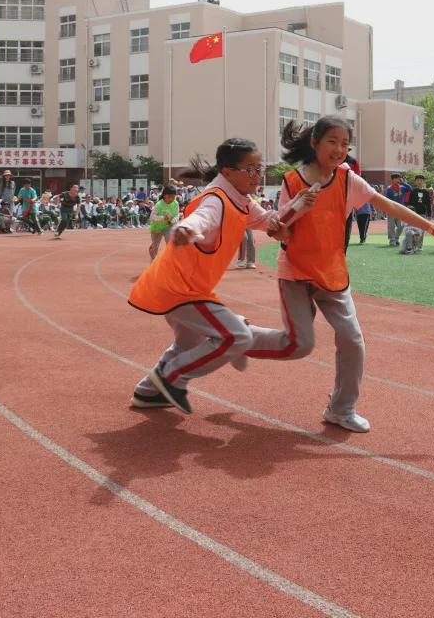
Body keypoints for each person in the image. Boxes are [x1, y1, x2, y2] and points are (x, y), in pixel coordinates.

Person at [244, 117, 434, 433]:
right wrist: (296, 208)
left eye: (345, 144)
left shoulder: (348, 180)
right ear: (315, 143)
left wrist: (433, 228)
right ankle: (240, 337)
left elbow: (388, 205)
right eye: (332, 142)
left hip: (333, 274)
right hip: (296, 272)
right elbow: (279, 231)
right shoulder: (292, 182)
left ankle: (341, 408)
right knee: (299, 345)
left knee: (353, 340)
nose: (339, 150)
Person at [127, 137, 310, 415]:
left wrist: (297, 206)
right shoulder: (217, 199)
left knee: (188, 344)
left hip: (181, 287)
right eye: (250, 169)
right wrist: (186, 228)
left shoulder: (242, 202)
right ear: (227, 172)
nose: (256, 175)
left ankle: (148, 392)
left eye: (259, 168)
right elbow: (202, 218)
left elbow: (268, 221)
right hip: (181, 289)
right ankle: (173, 377)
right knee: (236, 337)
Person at [147, 184, 179, 259]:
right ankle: (153, 260)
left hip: (168, 227)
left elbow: (177, 215)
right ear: (164, 195)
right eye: (170, 196)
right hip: (156, 228)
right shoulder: (159, 205)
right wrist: (163, 218)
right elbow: (152, 217)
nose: (172, 199)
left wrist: (173, 221)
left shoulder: (176, 203)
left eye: (173, 197)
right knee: (155, 248)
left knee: (170, 242)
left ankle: (169, 259)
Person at [405, 174, 433, 252]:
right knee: (412, 230)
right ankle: (410, 245)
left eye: (421, 180)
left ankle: (419, 245)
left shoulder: (426, 192)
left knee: (422, 231)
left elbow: (428, 204)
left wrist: (429, 215)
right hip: (413, 214)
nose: (420, 182)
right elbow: (409, 202)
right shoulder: (412, 191)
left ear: (423, 181)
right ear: (415, 182)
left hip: (423, 214)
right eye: (418, 180)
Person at [383, 173, 409, 247]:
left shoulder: (403, 187)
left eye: (399, 178)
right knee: (391, 226)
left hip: (400, 209)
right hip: (391, 209)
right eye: (396, 178)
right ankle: (392, 240)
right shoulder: (389, 188)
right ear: (392, 180)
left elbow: (410, 189)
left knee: (401, 225)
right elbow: (387, 199)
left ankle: (396, 238)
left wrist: (403, 182)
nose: (398, 180)